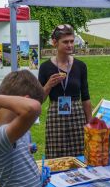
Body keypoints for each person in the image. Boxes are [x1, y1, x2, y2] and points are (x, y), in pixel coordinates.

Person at [38, 24, 92, 159]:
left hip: (77, 114)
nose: (70, 45)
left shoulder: (80, 66)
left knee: (79, 152)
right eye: (65, 42)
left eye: (72, 41)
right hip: (56, 113)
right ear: (55, 43)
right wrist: (49, 85)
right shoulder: (45, 67)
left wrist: (89, 122)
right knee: (56, 155)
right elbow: (40, 99)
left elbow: (85, 97)